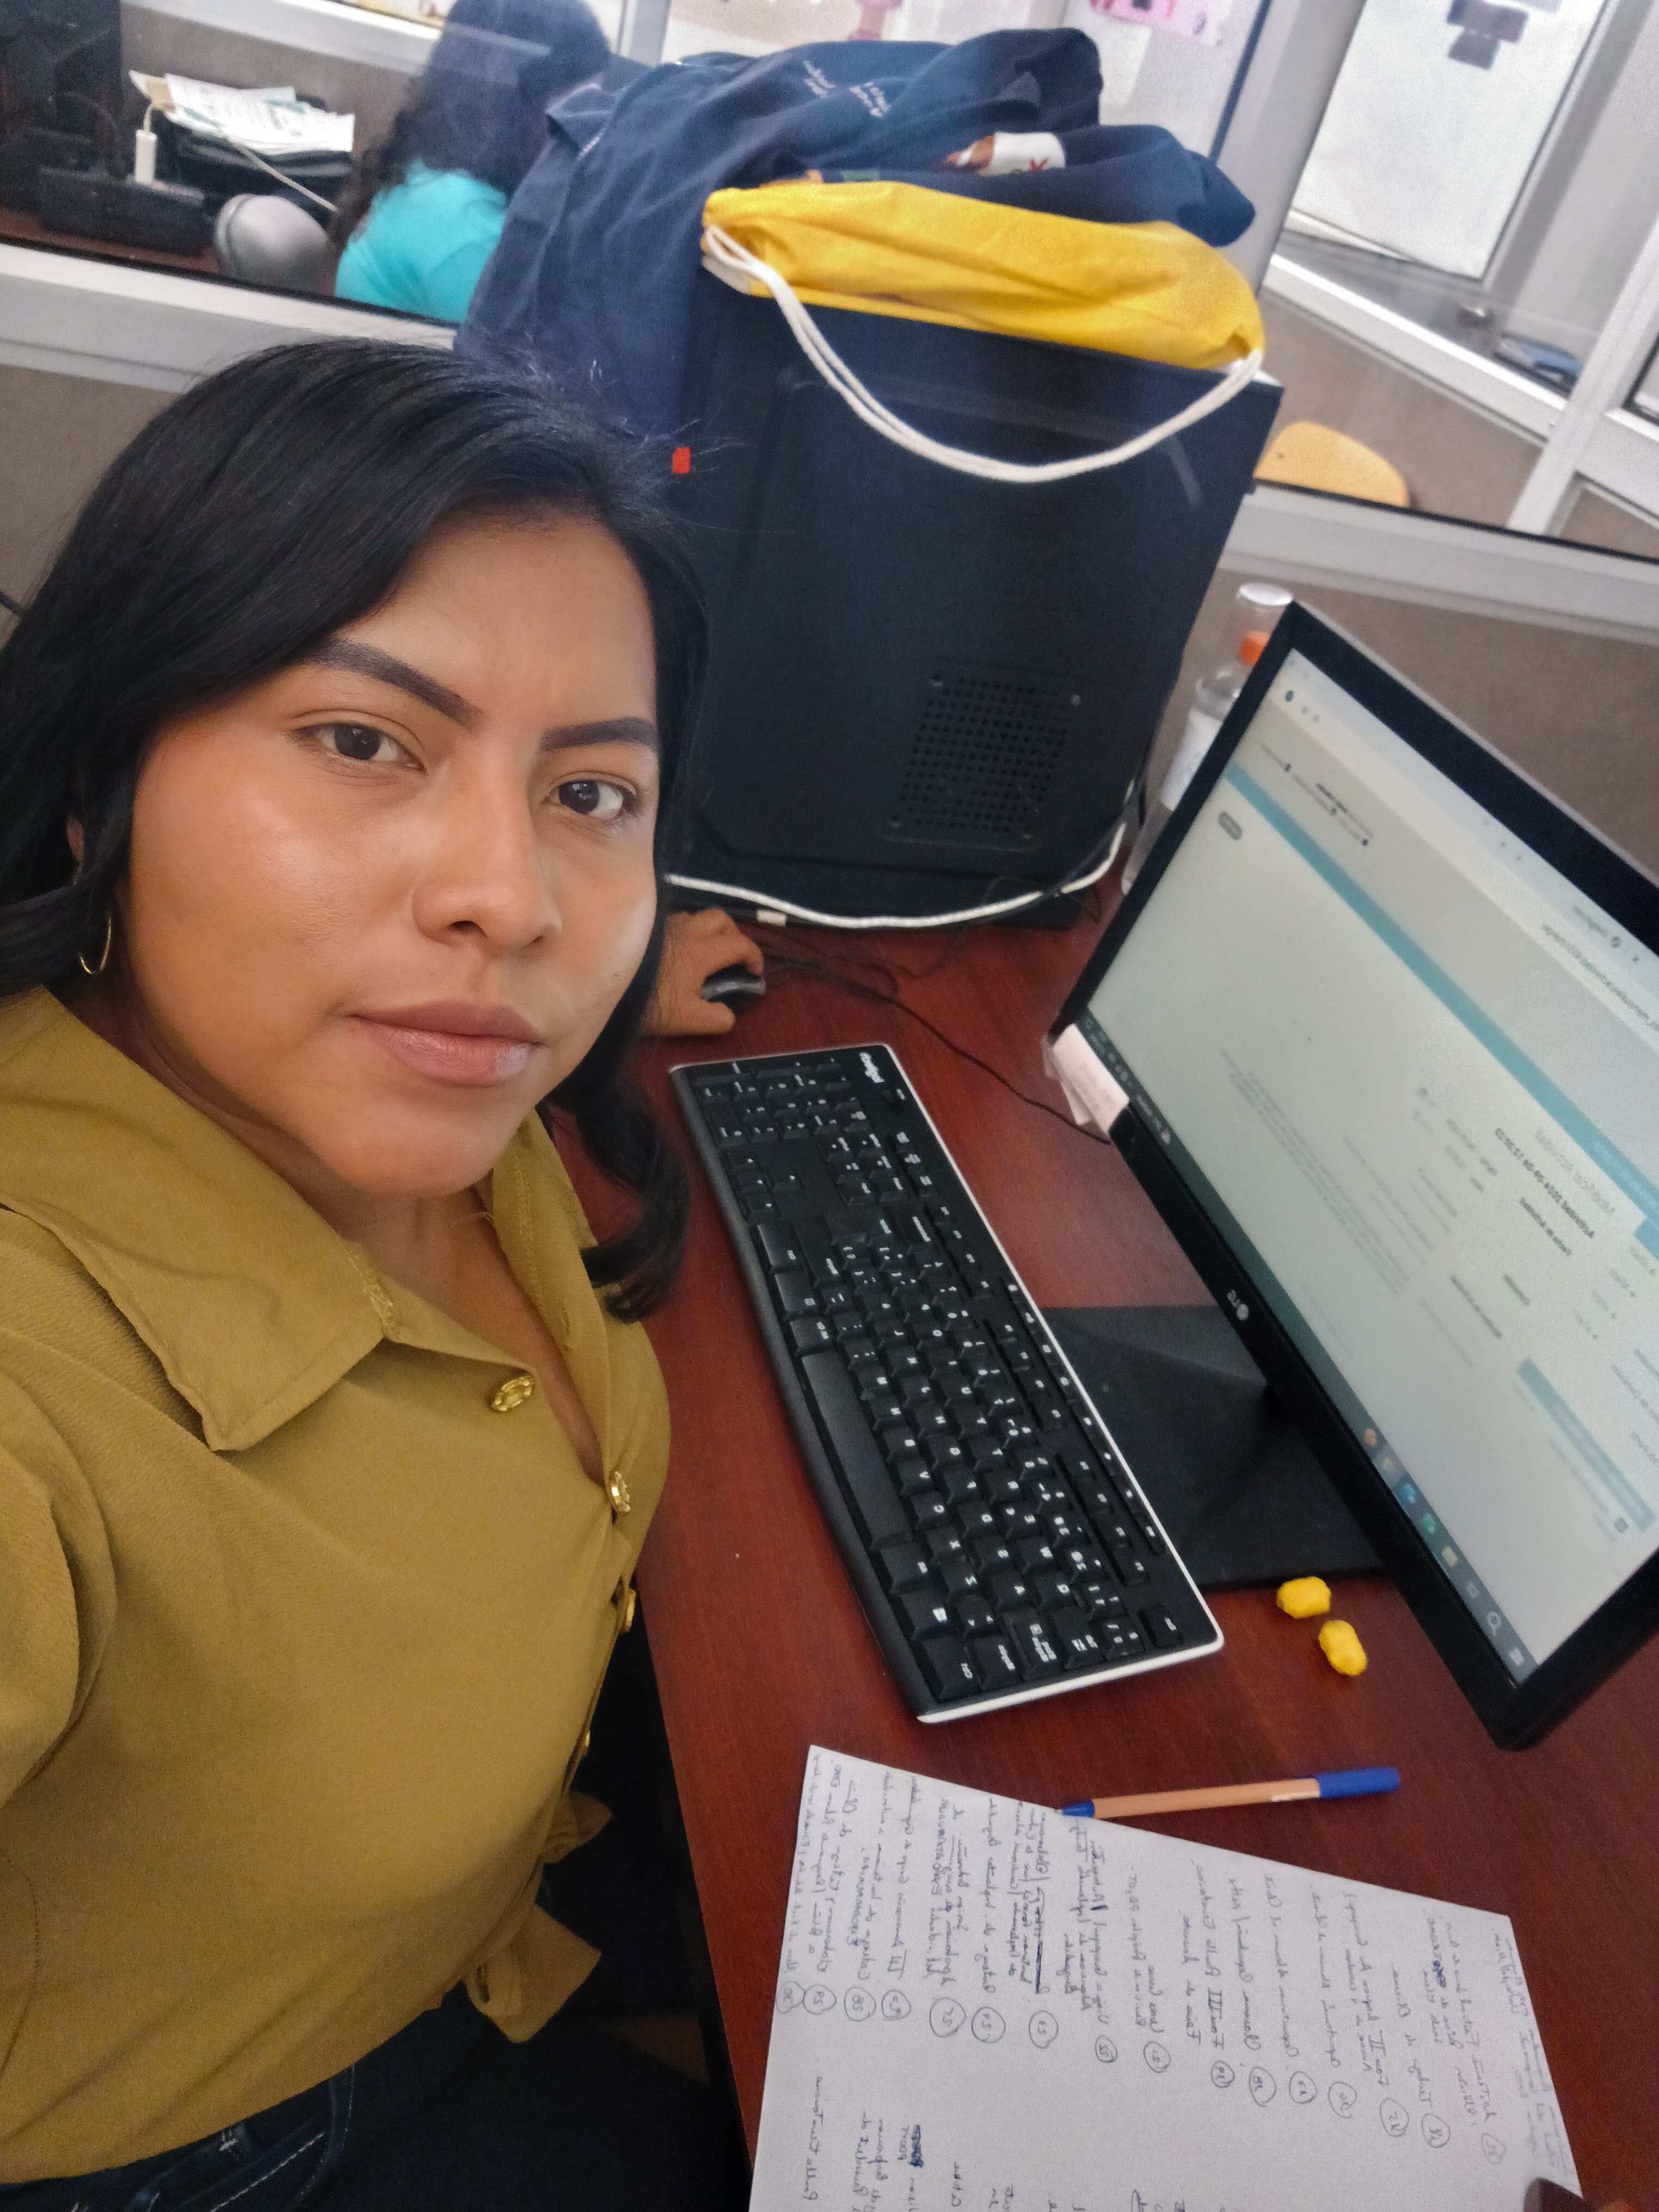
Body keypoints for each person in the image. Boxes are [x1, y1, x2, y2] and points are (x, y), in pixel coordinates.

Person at [0, 339, 748, 2208]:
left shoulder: (412, 1072)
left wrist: (626, 962)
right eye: (362, 742)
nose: (512, 899)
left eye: (591, 792)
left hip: (508, 1912)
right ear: (97, 779)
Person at [333, 0, 610, 324]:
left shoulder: (433, 166)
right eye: (579, 105)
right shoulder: (469, 233)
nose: (593, 127)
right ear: (519, 108)